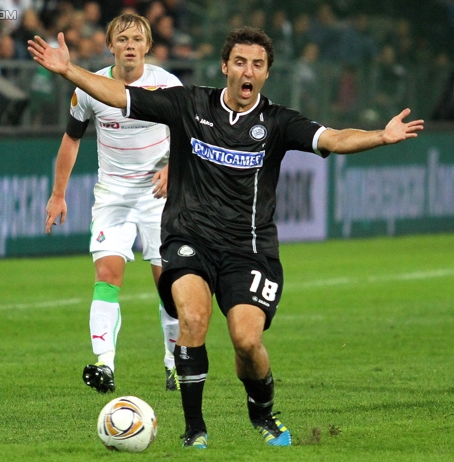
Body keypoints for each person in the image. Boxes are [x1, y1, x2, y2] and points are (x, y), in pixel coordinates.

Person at [29, 26, 424, 448]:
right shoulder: (189, 103)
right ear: (225, 67)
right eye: (240, 62)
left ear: (267, 72)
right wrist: (69, 70)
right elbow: (118, 95)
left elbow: (332, 138)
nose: (247, 71)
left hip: (249, 248)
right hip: (190, 237)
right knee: (193, 320)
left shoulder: (277, 122)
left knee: (246, 340)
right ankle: (194, 429)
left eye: (257, 64)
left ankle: (263, 414)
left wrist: (380, 136)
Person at [43, 13, 182, 394]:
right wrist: (58, 194)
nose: (130, 45)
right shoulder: (91, 88)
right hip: (113, 195)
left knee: (168, 284)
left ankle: (174, 362)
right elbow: (71, 139)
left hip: (159, 196)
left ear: (148, 46)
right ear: (111, 46)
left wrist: (173, 167)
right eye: (122, 39)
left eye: (137, 39)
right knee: (106, 275)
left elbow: (189, 135)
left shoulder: (167, 85)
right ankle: (104, 365)